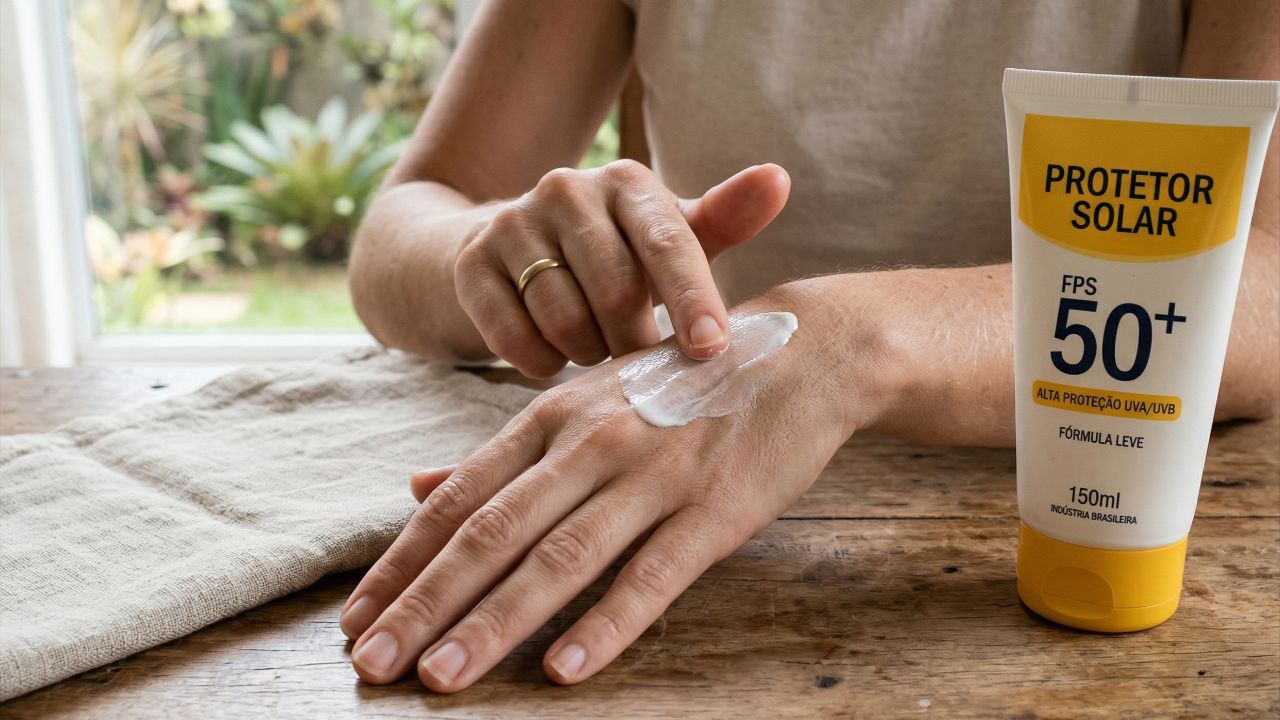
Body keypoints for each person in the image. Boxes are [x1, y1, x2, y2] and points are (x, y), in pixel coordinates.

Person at [340, 0, 1278, 693]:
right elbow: (398, 231)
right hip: (682, 469)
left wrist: (845, 344)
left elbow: (1264, 281)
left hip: (1089, 521)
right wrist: (509, 252)